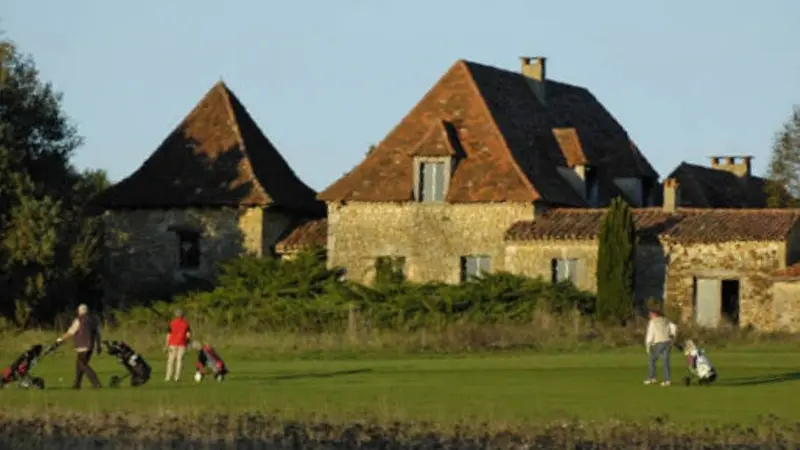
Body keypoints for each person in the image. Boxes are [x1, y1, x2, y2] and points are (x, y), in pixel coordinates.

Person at [57, 303, 102, 389]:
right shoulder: (93, 320)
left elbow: (70, 332)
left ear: (79, 311)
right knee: (79, 365)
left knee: (83, 365)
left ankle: (96, 383)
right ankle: (77, 384)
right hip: (90, 346)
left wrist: (60, 339)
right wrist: (99, 346)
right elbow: (97, 334)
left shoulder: (79, 320)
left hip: (82, 346)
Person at [644, 308, 678, 386]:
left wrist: (648, 345)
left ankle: (651, 378)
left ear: (655, 314)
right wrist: (672, 335)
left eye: (651, 314)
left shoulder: (653, 322)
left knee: (652, 360)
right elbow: (674, 327)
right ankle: (667, 380)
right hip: (668, 342)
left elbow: (650, 334)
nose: (649, 316)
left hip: (659, 342)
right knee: (666, 361)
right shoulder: (666, 320)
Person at [165, 308, 191, 382]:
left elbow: (168, 334)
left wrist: (166, 345)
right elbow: (188, 335)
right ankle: (177, 377)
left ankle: (168, 377)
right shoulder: (186, 323)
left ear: (176, 315)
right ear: (183, 315)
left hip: (172, 344)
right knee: (179, 360)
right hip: (182, 344)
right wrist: (188, 343)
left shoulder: (172, 323)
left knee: (171, 361)